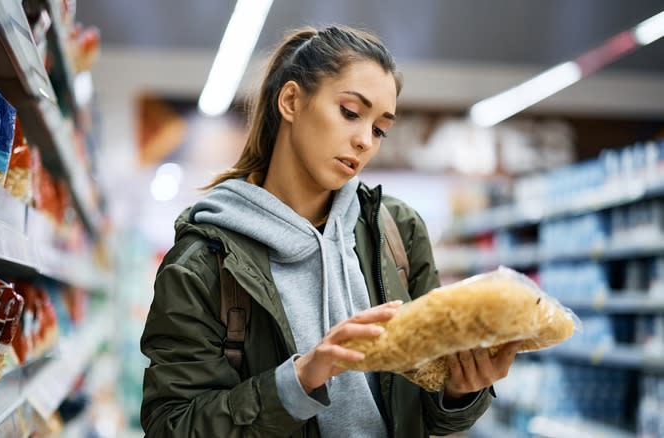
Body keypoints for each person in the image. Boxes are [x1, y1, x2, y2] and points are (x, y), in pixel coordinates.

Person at [140, 25, 520, 437]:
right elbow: (170, 426)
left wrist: (460, 391)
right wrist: (297, 382)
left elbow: (428, 412)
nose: (364, 142)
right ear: (291, 101)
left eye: (379, 129)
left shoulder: (397, 232)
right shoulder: (203, 261)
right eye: (351, 113)